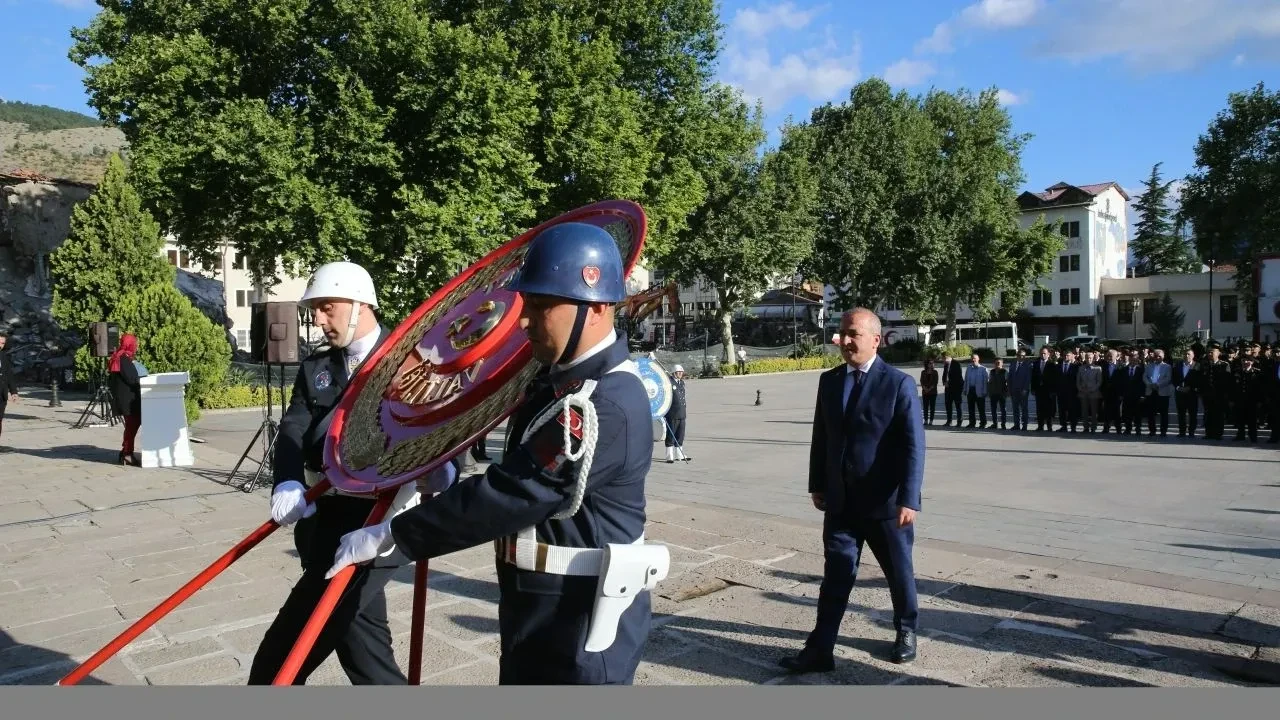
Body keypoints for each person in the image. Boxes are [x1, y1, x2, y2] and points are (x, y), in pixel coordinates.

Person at [324, 222, 667, 685]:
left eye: (543, 306)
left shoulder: (605, 402)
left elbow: (512, 491)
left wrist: (395, 536)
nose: (524, 321)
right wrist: (436, 461)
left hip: (580, 621)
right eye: (528, 305)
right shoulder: (554, 380)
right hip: (535, 607)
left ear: (599, 306)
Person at [248, 261, 452, 685]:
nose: (319, 320)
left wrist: (441, 470)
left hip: (378, 521)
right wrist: (285, 478)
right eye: (316, 311)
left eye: (327, 308)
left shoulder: (411, 363)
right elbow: (293, 427)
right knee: (363, 647)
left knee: (278, 663)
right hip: (323, 519)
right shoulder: (317, 367)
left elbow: (440, 435)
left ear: (361, 306)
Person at [780, 308, 924, 673]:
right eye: (842, 333)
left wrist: (910, 497)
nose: (844, 341)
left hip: (886, 505)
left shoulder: (898, 384)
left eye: (853, 334)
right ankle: (820, 649)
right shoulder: (829, 381)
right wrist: (817, 484)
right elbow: (822, 437)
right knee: (837, 575)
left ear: (876, 340)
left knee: (898, 572)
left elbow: (913, 445)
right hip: (841, 502)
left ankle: (906, 630)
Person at [106, 334, 143, 465]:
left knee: (131, 426)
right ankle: (127, 453)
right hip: (128, 400)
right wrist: (144, 380)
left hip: (125, 398)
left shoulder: (119, 357)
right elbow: (131, 379)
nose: (136, 346)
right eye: (135, 343)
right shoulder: (123, 359)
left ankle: (125, 451)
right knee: (132, 425)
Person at [664, 364, 690, 462]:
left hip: (682, 413)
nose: (680, 374)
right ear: (674, 373)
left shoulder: (682, 383)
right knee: (671, 435)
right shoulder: (669, 383)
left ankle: (680, 455)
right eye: (678, 372)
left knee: (680, 434)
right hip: (672, 413)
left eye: (681, 372)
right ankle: (669, 456)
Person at [0, 330, 17, 451]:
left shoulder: (4, 357)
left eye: (2, 343)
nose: (0, 345)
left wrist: (14, 392)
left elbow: (9, 375)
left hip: (1, 395)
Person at [1008, 349, 1032, 431]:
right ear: (1016, 356)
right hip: (1014, 390)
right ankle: (1016, 425)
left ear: (1025, 357)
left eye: (1023, 355)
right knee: (1015, 408)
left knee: (1024, 408)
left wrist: (1025, 389)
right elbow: (1010, 377)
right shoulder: (1013, 364)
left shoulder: (1028, 365)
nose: (1021, 357)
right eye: (1019, 355)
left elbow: (1028, 378)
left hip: (1023, 390)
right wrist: (1009, 388)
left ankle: (1024, 425)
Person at [963, 354, 988, 428]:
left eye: (974, 358)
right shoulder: (969, 368)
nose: (973, 360)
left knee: (981, 408)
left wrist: (985, 391)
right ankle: (972, 423)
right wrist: (965, 389)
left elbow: (985, 382)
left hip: (979, 391)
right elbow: (966, 379)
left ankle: (983, 423)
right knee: (971, 408)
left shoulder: (983, 369)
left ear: (978, 359)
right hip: (970, 390)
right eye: (972, 358)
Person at [987, 357, 1008, 429]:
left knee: (1003, 410)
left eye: (998, 363)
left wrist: (1007, 393)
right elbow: (989, 382)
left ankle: (1003, 424)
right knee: (993, 410)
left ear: (1002, 364)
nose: (997, 364)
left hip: (1002, 394)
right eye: (996, 363)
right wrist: (989, 392)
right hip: (993, 393)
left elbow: (1008, 383)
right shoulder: (991, 372)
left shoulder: (1005, 372)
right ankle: (995, 424)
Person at [919, 359, 938, 425]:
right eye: (930, 363)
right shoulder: (923, 372)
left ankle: (931, 420)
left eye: (933, 363)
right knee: (925, 407)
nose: (932, 364)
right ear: (927, 364)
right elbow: (921, 381)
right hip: (925, 392)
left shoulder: (935, 372)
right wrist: (924, 388)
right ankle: (926, 420)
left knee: (932, 407)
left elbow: (935, 382)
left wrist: (929, 389)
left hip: (933, 392)